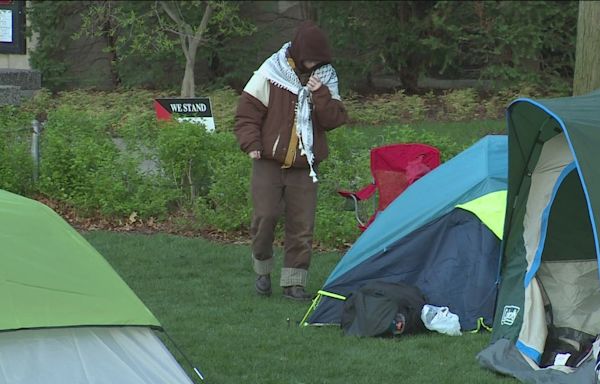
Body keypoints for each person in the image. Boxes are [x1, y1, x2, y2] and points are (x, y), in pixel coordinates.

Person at [234, 21, 348, 301]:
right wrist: (252, 145)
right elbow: (246, 114)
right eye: (309, 59)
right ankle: (262, 270)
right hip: (267, 162)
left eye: (318, 61)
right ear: (298, 52)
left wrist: (320, 93)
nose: (313, 65)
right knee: (265, 218)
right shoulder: (270, 73)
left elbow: (334, 120)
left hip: (305, 166)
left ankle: (294, 284)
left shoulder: (326, 77)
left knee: (301, 226)